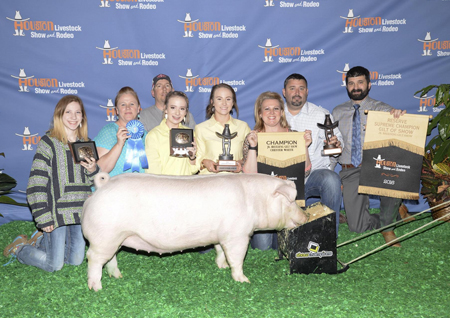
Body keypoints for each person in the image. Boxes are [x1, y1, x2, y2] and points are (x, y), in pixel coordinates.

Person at [3, 95, 99, 271]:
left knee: (75, 261)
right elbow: (36, 183)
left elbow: (90, 181)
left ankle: (40, 240)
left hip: (78, 211)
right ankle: (20, 249)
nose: (73, 116)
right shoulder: (48, 142)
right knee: (54, 265)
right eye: (68, 112)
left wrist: (93, 170)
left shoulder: (86, 143)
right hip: (56, 212)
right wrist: (43, 215)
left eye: (78, 112)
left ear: (82, 117)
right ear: (59, 115)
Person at [331, 66, 406, 246]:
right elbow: (333, 147)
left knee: (391, 172)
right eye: (351, 83)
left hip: (377, 166)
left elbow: (399, 137)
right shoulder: (337, 112)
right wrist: (332, 175)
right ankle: (395, 214)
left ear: (369, 85)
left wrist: (399, 118)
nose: (355, 87)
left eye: (360, 82)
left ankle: (388, 228)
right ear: (346, 86)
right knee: (357, 227)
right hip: (350, 170)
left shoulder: (383, 110)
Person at [242, 91, 312, 250]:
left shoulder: (294, 136)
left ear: (282, 112)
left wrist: (305, 147)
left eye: (276, 109)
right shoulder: (252, 137)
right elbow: (248, 176)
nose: (271, 113)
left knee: (287, 248)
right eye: (267, 109)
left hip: (288, 201)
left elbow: (306, 172)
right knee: (263, 249)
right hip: (262, 203)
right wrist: (253, 146)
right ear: (260, 113)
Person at [282, 73, 343, 234]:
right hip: (282, 178)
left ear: (307, 91)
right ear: (284, 92)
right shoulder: (274, 114)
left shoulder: (321, 114)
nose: (297, 92)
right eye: (292, 88)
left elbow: (338, 144)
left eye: (301, 88)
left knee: (331, 179)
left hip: (313, 175)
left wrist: (336, 144)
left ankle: (330, 235)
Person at [195, 83, 251, 174]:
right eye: (219, 99)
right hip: (209, 182)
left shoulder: (243, 127)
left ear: (233, 102)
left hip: (236, 182)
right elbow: (196, 159)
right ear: (212, 102)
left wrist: (240, 163)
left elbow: (250, 157)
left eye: (228, 99)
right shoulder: (201, 128)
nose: (224, 103)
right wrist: (205, 163)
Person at [95, 86, 147, 177]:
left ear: (138, 108)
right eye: (123, 104)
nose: (128, 108)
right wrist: (119, 144)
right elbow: (99, 170)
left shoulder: (145, 135)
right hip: (114, 189)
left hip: (140, 189)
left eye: (132, 104)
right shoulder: (109, 131)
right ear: (117, 110)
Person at [145, 91, 199, 175]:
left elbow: (193, 170)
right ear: (165, 109)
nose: (177, 113)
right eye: (173, 107)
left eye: (182, 109)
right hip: (163, 186)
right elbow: (152, 172)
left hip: (186, 185)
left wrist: (192, 157)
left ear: (186, 112)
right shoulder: (154, 136)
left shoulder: (191, 134)